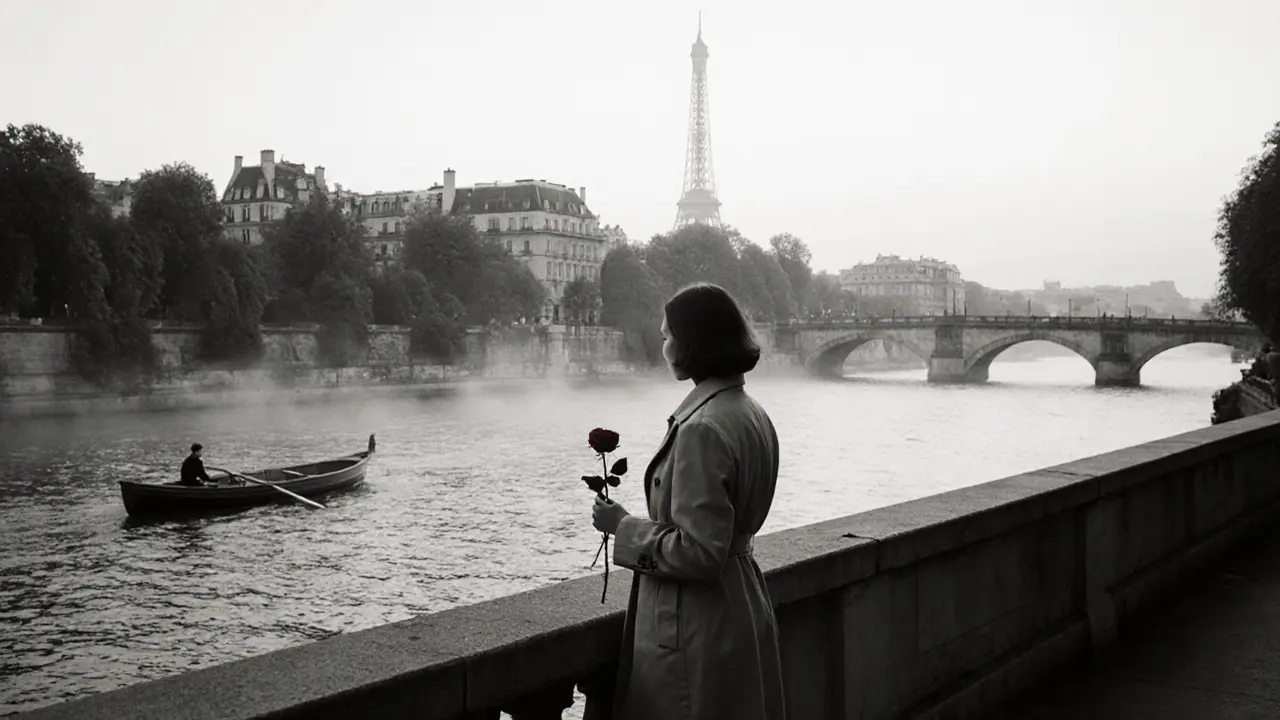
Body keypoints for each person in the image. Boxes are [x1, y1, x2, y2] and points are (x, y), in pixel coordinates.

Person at [592, 282, 786, 720]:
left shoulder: (702, 427)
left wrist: (621, 526)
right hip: (741, 600)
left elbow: (700, 551)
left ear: (691, 343)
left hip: (697, 621)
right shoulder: (750, 412)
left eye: (667, 336)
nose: (663, 346)